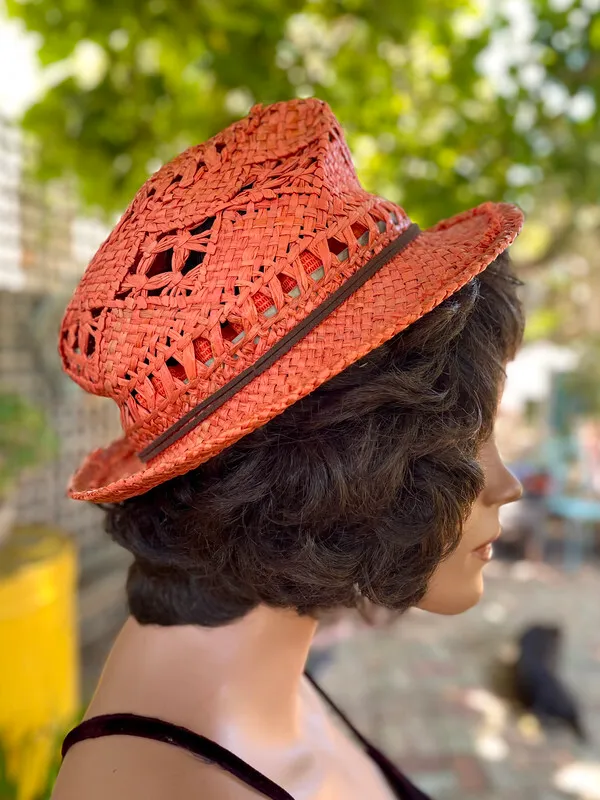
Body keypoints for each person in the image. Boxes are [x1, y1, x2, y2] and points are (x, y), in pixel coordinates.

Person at [53, 98, 524, 800]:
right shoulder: (161, 786)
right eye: (464, 430)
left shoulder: (269, 689)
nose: (507, 482)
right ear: (338, 454)